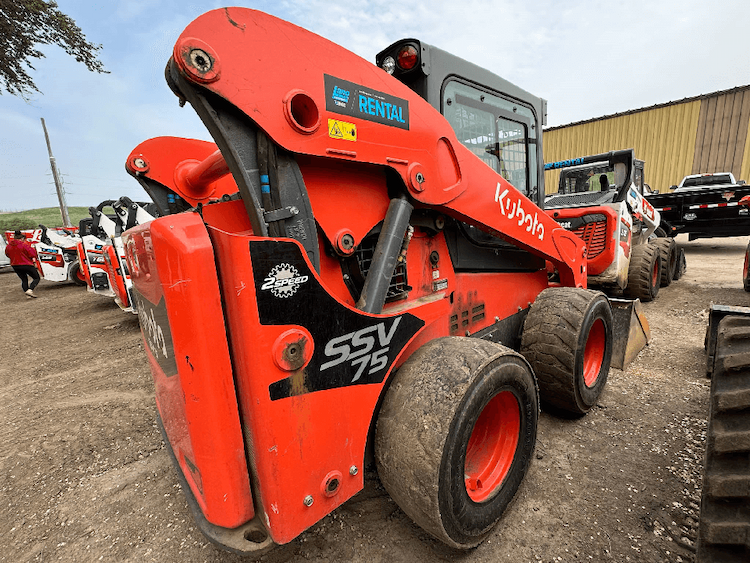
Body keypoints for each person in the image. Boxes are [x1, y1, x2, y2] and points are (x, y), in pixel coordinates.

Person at [5, 230, 41, 298]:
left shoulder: (8, 246)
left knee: (24, 279)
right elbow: (32, 254)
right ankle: (30, 290)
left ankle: (27, 293)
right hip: (26, 264)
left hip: (15, 265)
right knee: (36, 278)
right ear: (22, 238)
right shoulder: (24, 245)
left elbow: (7, 254)